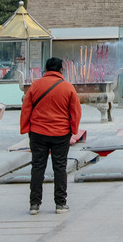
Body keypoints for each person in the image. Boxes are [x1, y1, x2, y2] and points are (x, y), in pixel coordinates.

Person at [20, 56, 82, 215]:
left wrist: (26, 128)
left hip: (37, 133)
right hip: (61, 133)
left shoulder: (35, 86)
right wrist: (73, 130)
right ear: (61, 70)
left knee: (37, 167)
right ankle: (60, 204)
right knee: (60, 167)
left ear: (46, 69)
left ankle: (34, 204)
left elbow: (26, 108)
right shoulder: (68, 87)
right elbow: (75, 111)